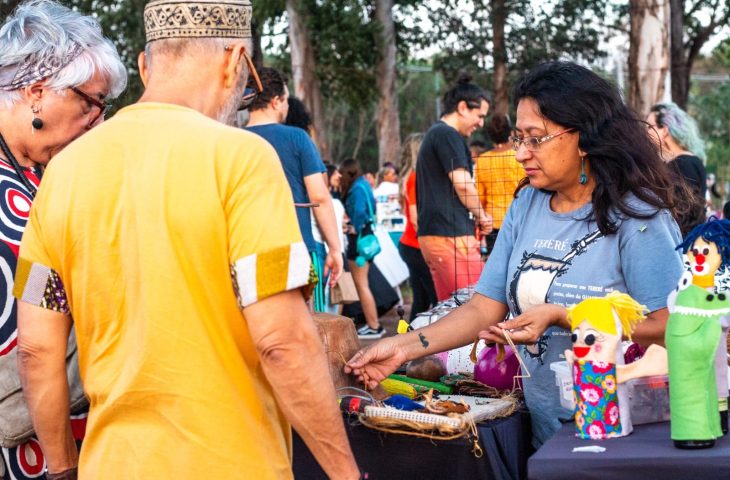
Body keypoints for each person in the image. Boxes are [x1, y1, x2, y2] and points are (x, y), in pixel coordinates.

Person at [13, 0, 360, 478]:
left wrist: (62, 469)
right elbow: (282, 340)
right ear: (236, 62)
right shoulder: (242, 160)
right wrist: (343, 471)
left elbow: (36, 349)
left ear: (143, 64)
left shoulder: (61, 174)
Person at [346, 61, 686, 448]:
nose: (521, 153)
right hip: (544, 429)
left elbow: (672, 326)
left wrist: (566, 317)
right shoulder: (527, 203)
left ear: (585, 137)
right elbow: (482, 309)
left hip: (621, 432)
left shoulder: (637, 214)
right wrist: (401, 348)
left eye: (536, 138)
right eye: (518, 137)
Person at [0, 1, 127, 477]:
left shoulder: (45, 171)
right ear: (35, 92)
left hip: (54, 431)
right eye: (90, 102)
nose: (96, 120)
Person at [246, 67, 343, 311]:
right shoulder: (297, 138)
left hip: (247, 253)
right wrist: (335, 249)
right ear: (276, 101)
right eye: (286, 100)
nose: (287, 106)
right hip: (297, 249)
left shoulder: (232, 138)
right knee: (307, 326)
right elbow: (319, 196)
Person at [416, 74, 493, 301]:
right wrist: (482, 216)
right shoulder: (447, 135)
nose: (481, 123)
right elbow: (463, 185)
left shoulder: (437, 134)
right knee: (474, 306)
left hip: (442, 234)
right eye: (479, 116)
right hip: (451, 236)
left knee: (452, 310)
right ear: (462, 107)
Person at [340, 158, 385, 339]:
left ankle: (374, 325)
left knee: (361, 285)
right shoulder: (364, 184)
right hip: (366, 236)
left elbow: (359, 212)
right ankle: (373, 324)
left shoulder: (356, 188)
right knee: (363, 284)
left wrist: (353, 226)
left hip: (358, 240)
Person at [647, 102, 707, 235]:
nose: (647, 132)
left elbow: (687, 215)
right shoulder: (679, 162)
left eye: (650, 127)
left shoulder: (685, 164)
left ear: (664, 130)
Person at [398, 133, 437, 320]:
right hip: (415, 246)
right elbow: (414, 218)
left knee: (421, 300)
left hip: (411, 245)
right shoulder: (414, 177)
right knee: (436, 298)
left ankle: (407, 337)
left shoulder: (412, 177)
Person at [475, 114, 523, 254]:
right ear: (510, 132)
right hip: (519, 219)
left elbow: (480, 196)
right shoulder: (519, 156)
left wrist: (482, 220)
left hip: (493, 222)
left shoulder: (482, 160)